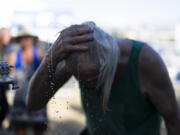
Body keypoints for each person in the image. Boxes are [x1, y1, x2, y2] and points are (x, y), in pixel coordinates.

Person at [27, 22, 180, 135]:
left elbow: (174, 121)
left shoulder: (145, 61)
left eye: (95, 76)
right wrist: (50, 58)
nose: (89, 84)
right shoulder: (73, 60)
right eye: (81, 78)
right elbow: (33, 103)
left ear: (110, 58)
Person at [7, 26, 48, 135]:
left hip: (38, 100)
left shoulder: (40, 54)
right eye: (23, 37)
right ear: (19, 40)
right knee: (19, 130)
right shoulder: (13, 56)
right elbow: (8, 78)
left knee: (39, 130)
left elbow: (48, 76)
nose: (26, 40)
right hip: (19, 100)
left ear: (32, 39)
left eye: (28, 37)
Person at [0, 27, 12, 128]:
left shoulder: (5, 48)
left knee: (5, 108)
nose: (10, 37)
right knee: (4, 107)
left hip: (2, 85)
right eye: (7, 35)